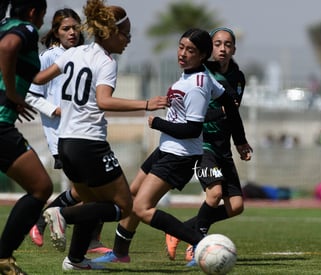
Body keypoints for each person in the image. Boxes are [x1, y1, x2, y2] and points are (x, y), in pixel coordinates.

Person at [92, 28, 249, 265]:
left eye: (191, 50)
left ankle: (199, 241)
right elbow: (228, 104)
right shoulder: (194, 75)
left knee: (142, 208)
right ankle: (120, 252)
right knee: (132, 196)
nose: (183, 53)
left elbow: (192, 129)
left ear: (202, 55)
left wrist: (158, 122)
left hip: (180, 153)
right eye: (181, 47)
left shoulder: (197, 84)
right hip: (166, 148)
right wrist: (241, 140)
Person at [32, 0, 168, 271]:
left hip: (67, 143)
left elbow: (37, 79)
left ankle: (76, 259)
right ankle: (61, 213)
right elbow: (104, 101)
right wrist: (145, 104)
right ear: (109, 33)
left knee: (92, 202)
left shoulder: (73, 53)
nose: (128, 39)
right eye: (126, 34)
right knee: (125, 206)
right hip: (90, 144)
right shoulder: (105, 63)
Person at [164, 27, 252, 266]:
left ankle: (179, 230)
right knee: (213, 195)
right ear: (209, 48)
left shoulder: (238, 77)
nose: (222, 48)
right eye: (217, 44)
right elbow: (196, 115)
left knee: (235, 206)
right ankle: (197, 244)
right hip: (203, 147)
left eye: (227, 44)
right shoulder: (201, 75)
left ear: (234, 48)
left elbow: (232, 114)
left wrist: (240, 142)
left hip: (223, 148)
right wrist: (220, 111)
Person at [26, 7, 110, 254]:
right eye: (66, 28)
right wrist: (56, 110)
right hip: (62, 136)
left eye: (75, 28)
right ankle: (82, 238)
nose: (72, 32)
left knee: (91, 190)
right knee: (94, 189)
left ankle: (47, 222)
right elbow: (32, 94)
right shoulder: (50, 57)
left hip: (85, 132)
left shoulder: (85, 55)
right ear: (56, 31)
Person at [0, 0, 54, 274]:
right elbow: (7, 48)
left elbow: (31, 74)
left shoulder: (3, 25)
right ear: (34, 12)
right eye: (43, 14)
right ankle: (3, 258)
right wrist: (10, 93)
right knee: (41, 188)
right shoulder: (26, 29)